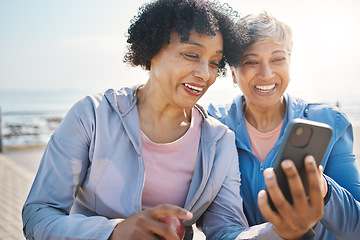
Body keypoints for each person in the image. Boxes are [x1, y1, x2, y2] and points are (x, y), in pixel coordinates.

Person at [22, 1, 282, 239]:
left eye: (214, 62)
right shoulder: (92, 116)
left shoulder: (219, 141)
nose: (205, 74)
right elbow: (38, 214)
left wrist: (280, 230)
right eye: (191, 55)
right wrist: (114, 232)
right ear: (152, 50)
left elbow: (226, 231)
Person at [208, 12, 360, 239]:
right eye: (251, 62)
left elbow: (356, 228)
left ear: (289, 61)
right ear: (232, 72)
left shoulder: (330, 122)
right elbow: (219, 231)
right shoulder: (213, 128)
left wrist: (325, 191)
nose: (267, 74)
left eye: (278, 59)